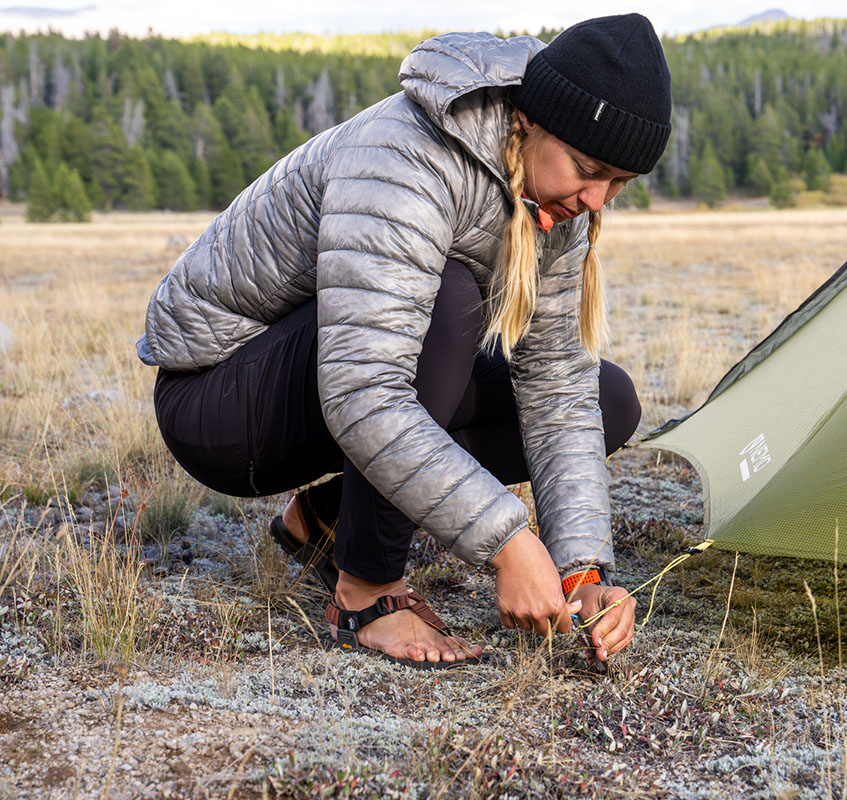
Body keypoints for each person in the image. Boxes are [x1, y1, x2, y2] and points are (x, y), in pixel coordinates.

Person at [136, 14, 672, 669]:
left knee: (606, 397)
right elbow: (364, 392)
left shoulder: (557, 202)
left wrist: (581, 570)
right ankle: (367, 592)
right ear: (532, 121)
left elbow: (557, 386)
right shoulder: (407, 154)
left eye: (618, 184)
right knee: (450, 298)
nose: (596, 200)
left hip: (334, 378)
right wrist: (509, 541)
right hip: (218, 402)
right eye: (588, 170)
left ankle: (329, 518)